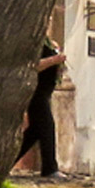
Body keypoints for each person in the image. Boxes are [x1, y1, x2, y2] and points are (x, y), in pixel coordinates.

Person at [15, 37, 67, 178]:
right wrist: (53, 60)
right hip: (36, 92)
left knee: (35, 131)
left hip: (46, 91)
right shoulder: (33, 41)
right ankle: (50, 168)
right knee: (47, 127)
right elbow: (32, 66)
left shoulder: (49, 42)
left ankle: (6, 161)